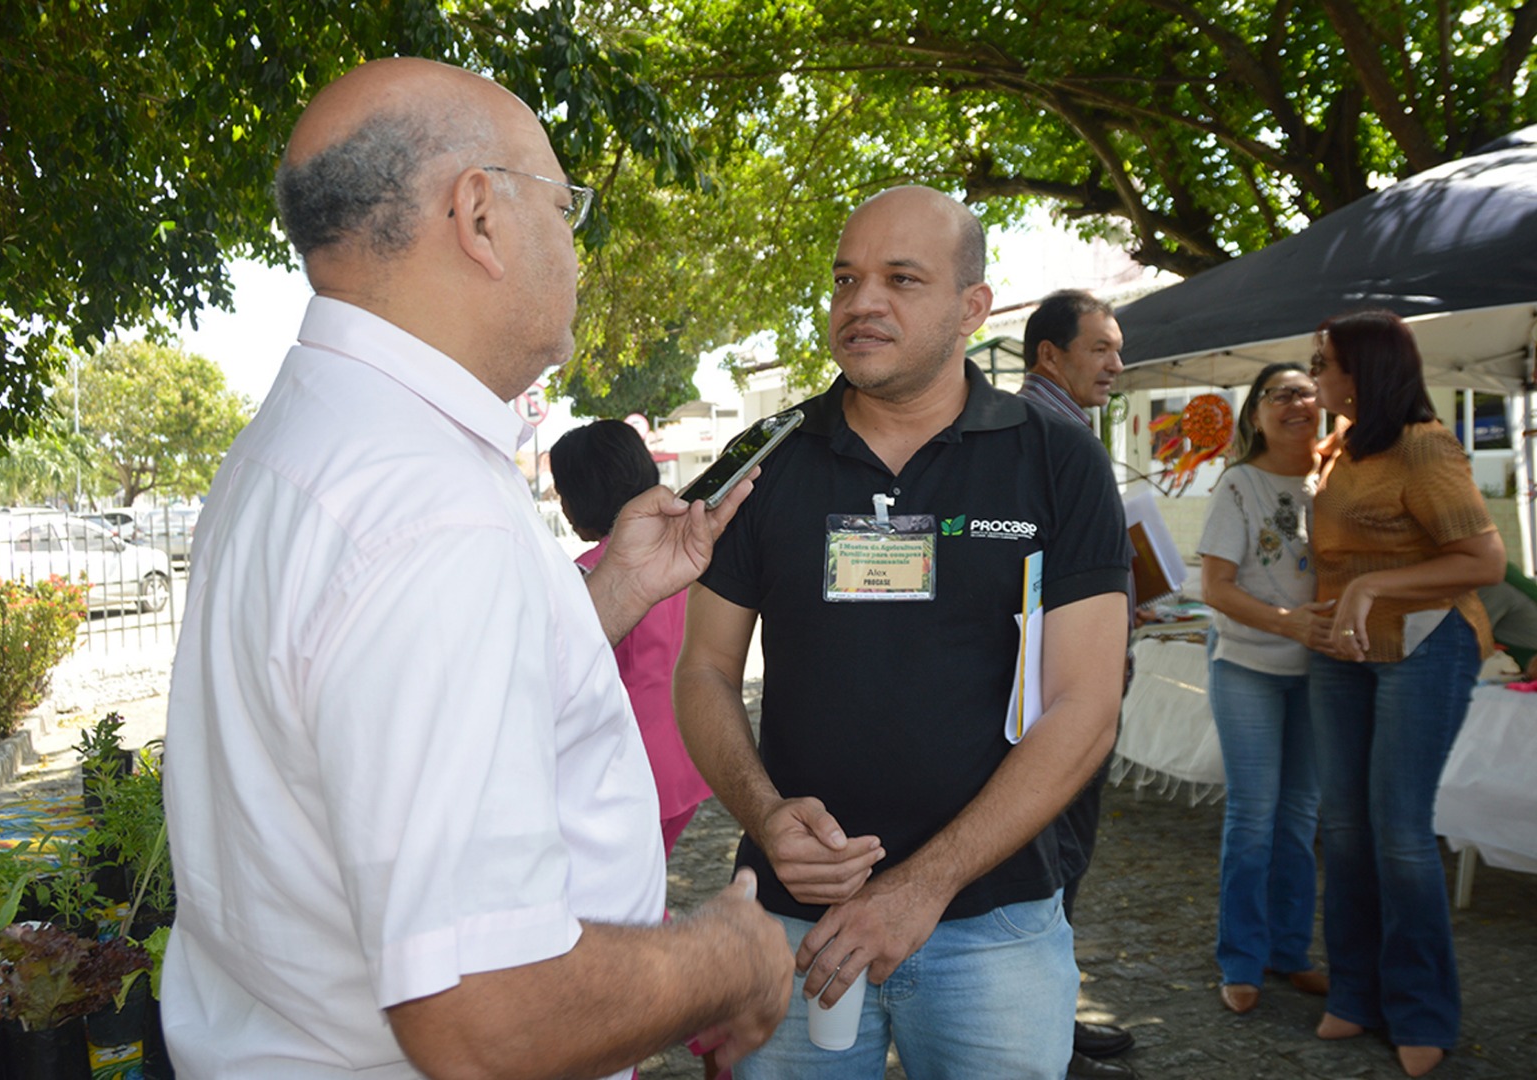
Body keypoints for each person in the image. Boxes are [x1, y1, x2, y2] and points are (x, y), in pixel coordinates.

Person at [161, 58, 792, 1079]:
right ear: (480, 215)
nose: (576, 249)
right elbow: (483, 1019)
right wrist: (728, 961)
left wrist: (612, 592)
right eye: (565, 204)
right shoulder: (427, 508)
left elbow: (373, 697)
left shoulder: (317, 436)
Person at [673, 185, 1131, 1079]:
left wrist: (925, 885)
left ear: (972, 308)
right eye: (846, 279)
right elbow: (704, 671)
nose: (861, 303)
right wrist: (766, 820)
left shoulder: (1054, 458)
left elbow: (1086, 706)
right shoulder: (769, 456)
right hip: (794, 919)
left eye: (900, 279)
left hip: (995, 924)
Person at [1307, 310, 1505, 1078]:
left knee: (1399, 832)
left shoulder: (1426, 447)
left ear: (1364, 371)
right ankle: (1358, 993)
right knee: (1345, 829)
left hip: (1425, 648)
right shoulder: (1337, 446)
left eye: (1324, 363)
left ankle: (1422, 1008)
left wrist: (1375, 585)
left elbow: (1484, 561)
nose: (1316, 375)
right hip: (1340, 650)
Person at [1018, 289, 1137, 1080]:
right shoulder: (1047, 435)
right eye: (1100, 347)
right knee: (1054, 860)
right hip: (1058, 694)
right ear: (1049, 355)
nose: (1116, 364)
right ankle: (1042, 1036)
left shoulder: (1060, 427)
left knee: (1063, 860)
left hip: (1065, 686)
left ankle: (1053, 1019)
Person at [1196, 363, 1334, 1016]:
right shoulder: (1239, 485)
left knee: (1299, 820)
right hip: (1249, 669)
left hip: (1319, 676)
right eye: (1279, 395)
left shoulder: (1334, 479)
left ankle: (1289, 952)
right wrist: (1289, 624)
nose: (1296, 404)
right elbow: (1216, 588)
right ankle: (1242, 957)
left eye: (1307, 392)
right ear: (1256, 415)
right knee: (1254, 819)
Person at [552, 419, 712, 857]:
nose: (562, 508)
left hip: (624, 763)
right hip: (690, 753)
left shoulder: (589, 574)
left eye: (563, 492)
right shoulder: (687, 553)